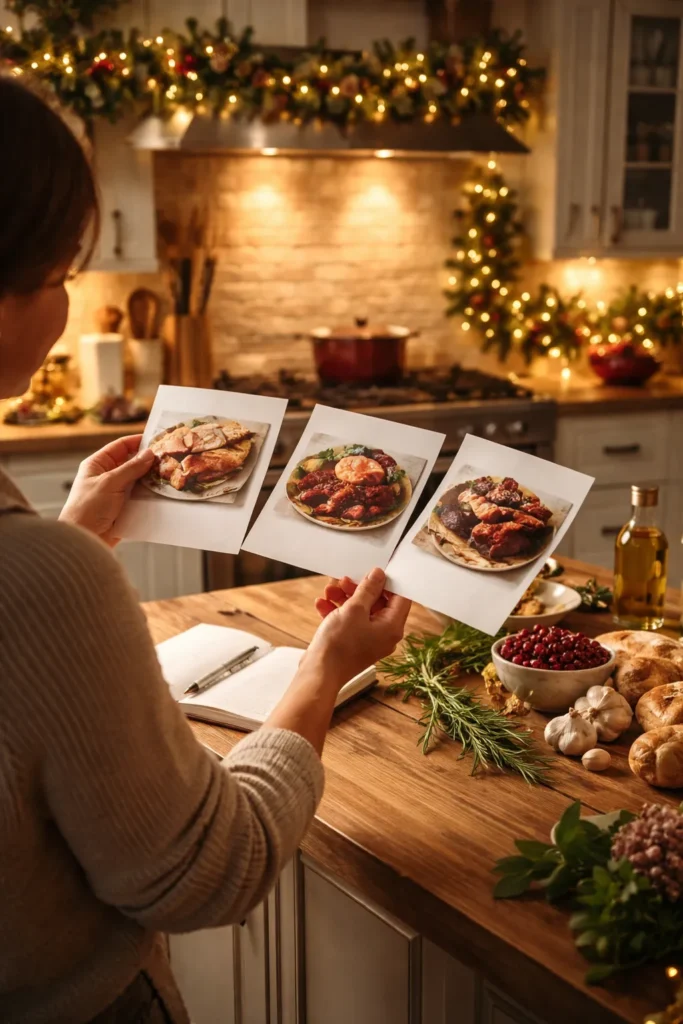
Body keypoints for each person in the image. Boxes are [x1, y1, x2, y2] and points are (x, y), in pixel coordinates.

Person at [0, 75, 412, 1024]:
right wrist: (322, 669)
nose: (65, 306)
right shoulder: (40, 581)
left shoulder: (39, 568)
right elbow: (203, 873)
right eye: (61, 276)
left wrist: (68, 541)